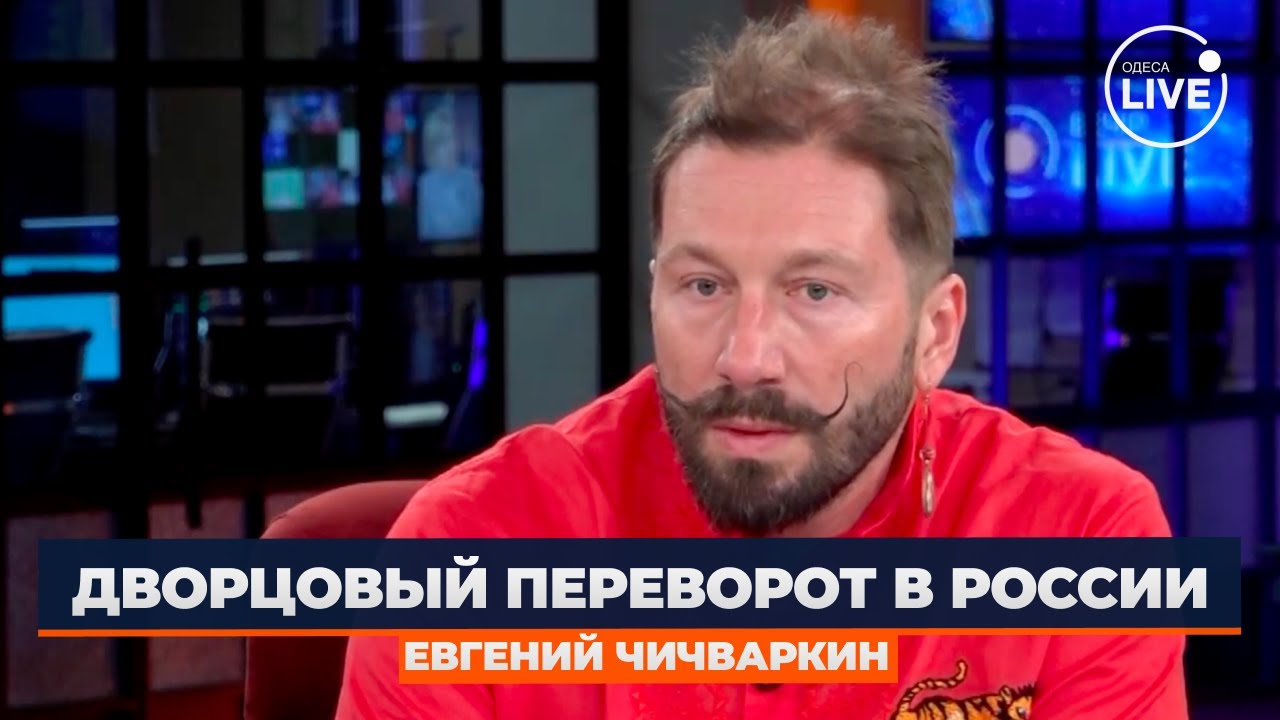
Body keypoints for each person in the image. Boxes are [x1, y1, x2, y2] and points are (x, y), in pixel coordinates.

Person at [336, 11, 1186, 719]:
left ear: (935, 333)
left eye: (814, 291)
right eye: (703, 286)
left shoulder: (1083, 538)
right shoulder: (473, 549)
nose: (744, 359)